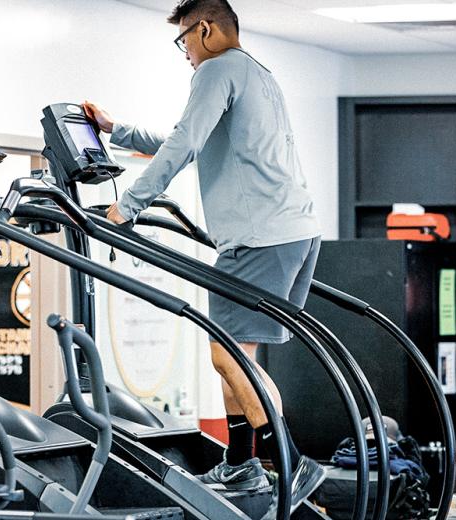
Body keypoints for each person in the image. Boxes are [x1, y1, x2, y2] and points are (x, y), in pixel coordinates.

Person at [83, 0, 325, 516]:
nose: (185, 53)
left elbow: (183, 145)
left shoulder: (217, 69)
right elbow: (185, 137)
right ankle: (242, 461)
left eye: (184, 41)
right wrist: (115, 130)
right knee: (239, 357)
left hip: (259, 239)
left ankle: (292, 460)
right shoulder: (256, 74)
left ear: (207, 29)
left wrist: (128, 205)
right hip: (294, 234)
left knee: (225, 357)